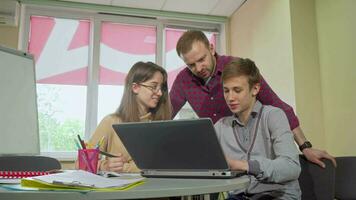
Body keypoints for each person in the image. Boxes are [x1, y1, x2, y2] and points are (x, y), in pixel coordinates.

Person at [170, 30, 336, 168]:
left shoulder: (237, 68)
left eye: (201, 59)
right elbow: (165, 113)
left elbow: (277, 104)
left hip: (253, 151)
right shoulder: (183, 80)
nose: (198, 68)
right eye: (191, 65)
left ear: (211, 48)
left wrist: (305, 146)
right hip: (220, 155)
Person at [215, 58, 301, 199]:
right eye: (226, 91)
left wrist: (245, 165)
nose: (230, 97)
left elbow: (291, 167)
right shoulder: (221, 126)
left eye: (237, 90)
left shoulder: (274, 116)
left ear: (255, 89)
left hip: (277, 195)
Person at [87, 61, 172, 172]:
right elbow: (82, 163)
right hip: (119, 188)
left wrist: (125, 167)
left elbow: (162, 166)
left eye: (161, 88)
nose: (160, 93)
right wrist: (103, 166)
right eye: (153, 86)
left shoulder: (163, 125)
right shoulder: (111, 122)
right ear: (135, 87)